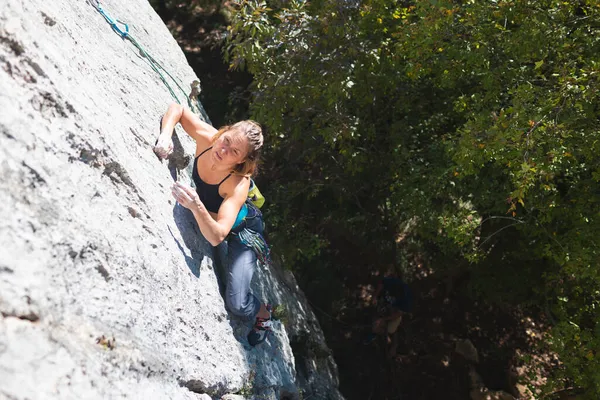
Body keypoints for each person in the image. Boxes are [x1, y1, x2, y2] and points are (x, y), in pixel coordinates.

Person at [154, 103, 272, 346]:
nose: (223, 149)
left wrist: (196, 206)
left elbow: (217, 236)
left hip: (243, 230)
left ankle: (263, 312)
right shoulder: (210, 138)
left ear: (242, 161)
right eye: (226, 140)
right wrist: (166, 135)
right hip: (214, 217)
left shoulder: (237, 184)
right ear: (224, 131)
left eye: (234, 151)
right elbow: (177, 109)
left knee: (237, 304)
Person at [364, 276, 413, 354]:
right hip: (384, 303)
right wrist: (375, 296)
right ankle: (374, 331)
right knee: (376, 320)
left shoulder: (407, 300)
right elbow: (381, 284)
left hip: (395, 312)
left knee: (390, 329)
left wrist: (384, 319)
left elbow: (398, 314)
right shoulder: (393, 281)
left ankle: (383, 333)